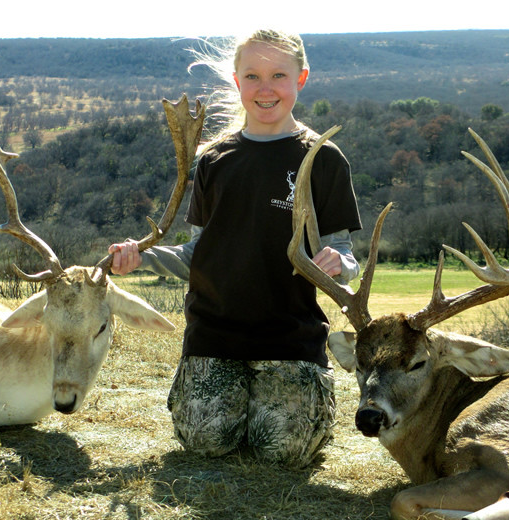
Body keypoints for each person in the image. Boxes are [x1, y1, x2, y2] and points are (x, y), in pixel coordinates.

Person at [108, 29, 361, 468]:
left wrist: (341, 263)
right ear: (237, 80)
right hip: (214, 336)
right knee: (207, 440)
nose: (266, 89)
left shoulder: (323, 158)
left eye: (278, 75)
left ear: (300, 79)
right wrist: (141, 255)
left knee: (282, 451)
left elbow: (346, 254)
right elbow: (196, 254)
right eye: (253, 76)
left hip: (290, 339)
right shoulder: (213, 160)